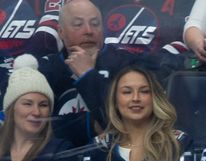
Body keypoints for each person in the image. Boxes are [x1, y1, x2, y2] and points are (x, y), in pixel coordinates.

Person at [37, 0, 182, 147]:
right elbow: (37, 129)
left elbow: (125, 123)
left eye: (95, 24)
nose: (88, 31)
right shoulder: (47, 69)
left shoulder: (125, 64)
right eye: (78, 24)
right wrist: (90, 125)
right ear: (61, 31)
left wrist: (87, 75)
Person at [83, 66, 193, 161]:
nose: (136, 98)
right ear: (115, 100)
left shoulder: (178, 143)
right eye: (127, 92)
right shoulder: (99, 148)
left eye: (144, 91)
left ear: (154, 98)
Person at [0, 55, 81, 161]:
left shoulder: (61, 152)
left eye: (43, 105)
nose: (36, 112)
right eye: (27, 103)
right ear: (11, 109)